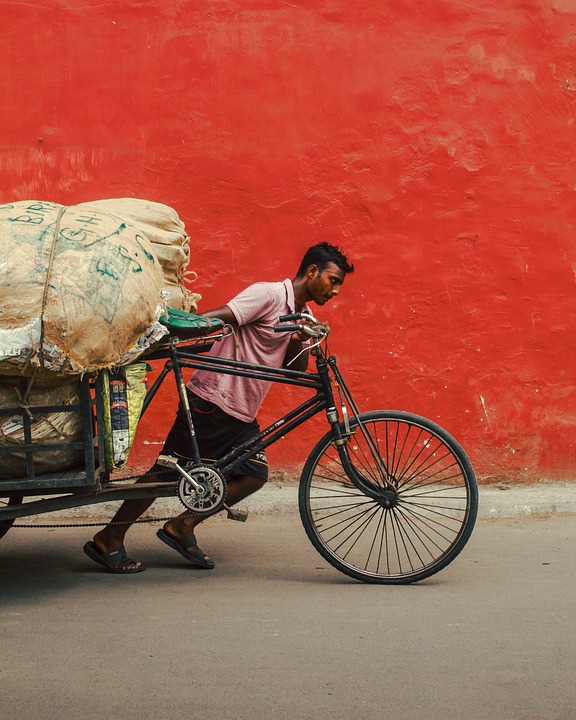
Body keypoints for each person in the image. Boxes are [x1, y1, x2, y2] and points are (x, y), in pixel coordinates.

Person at [83, 242, 354, 573]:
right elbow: (217, 318)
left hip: (240, 410)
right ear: (312, 272)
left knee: (253, 475)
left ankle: (181, 527)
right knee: (166, 474)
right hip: (213, 400)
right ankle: (109, 538)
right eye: (333, 279)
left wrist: (299, 337)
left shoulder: (304, 315)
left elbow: (293, 371)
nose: (336, 290)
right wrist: (167, 333)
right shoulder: (267, 295)